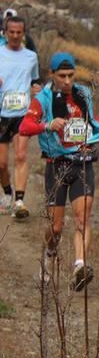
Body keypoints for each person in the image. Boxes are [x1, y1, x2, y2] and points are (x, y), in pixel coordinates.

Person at [19, 52, 99, 291]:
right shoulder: (44, 98)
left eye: (71, 75)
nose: (67, 81)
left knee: (82, 218)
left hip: (82, 163)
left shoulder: (83, 94)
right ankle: (49, 254)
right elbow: (25, 126)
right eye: (62, 76)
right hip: (56, 165)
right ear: (52, 75)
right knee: (56, 227)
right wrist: (47, 125)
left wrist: (94, 132)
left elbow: (94, 119)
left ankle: (80, 266)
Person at [0, 16, 41, 218]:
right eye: (11, 32)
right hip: (1, 112)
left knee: (21, 155)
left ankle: (19, 201)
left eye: (19, 32)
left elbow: (34, 81)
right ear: (5, 32)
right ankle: (7, 193)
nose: (15, 36)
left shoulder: (31, 57)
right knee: (1, 163)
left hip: (22, 113)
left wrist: (36, 90)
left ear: (23, 33)